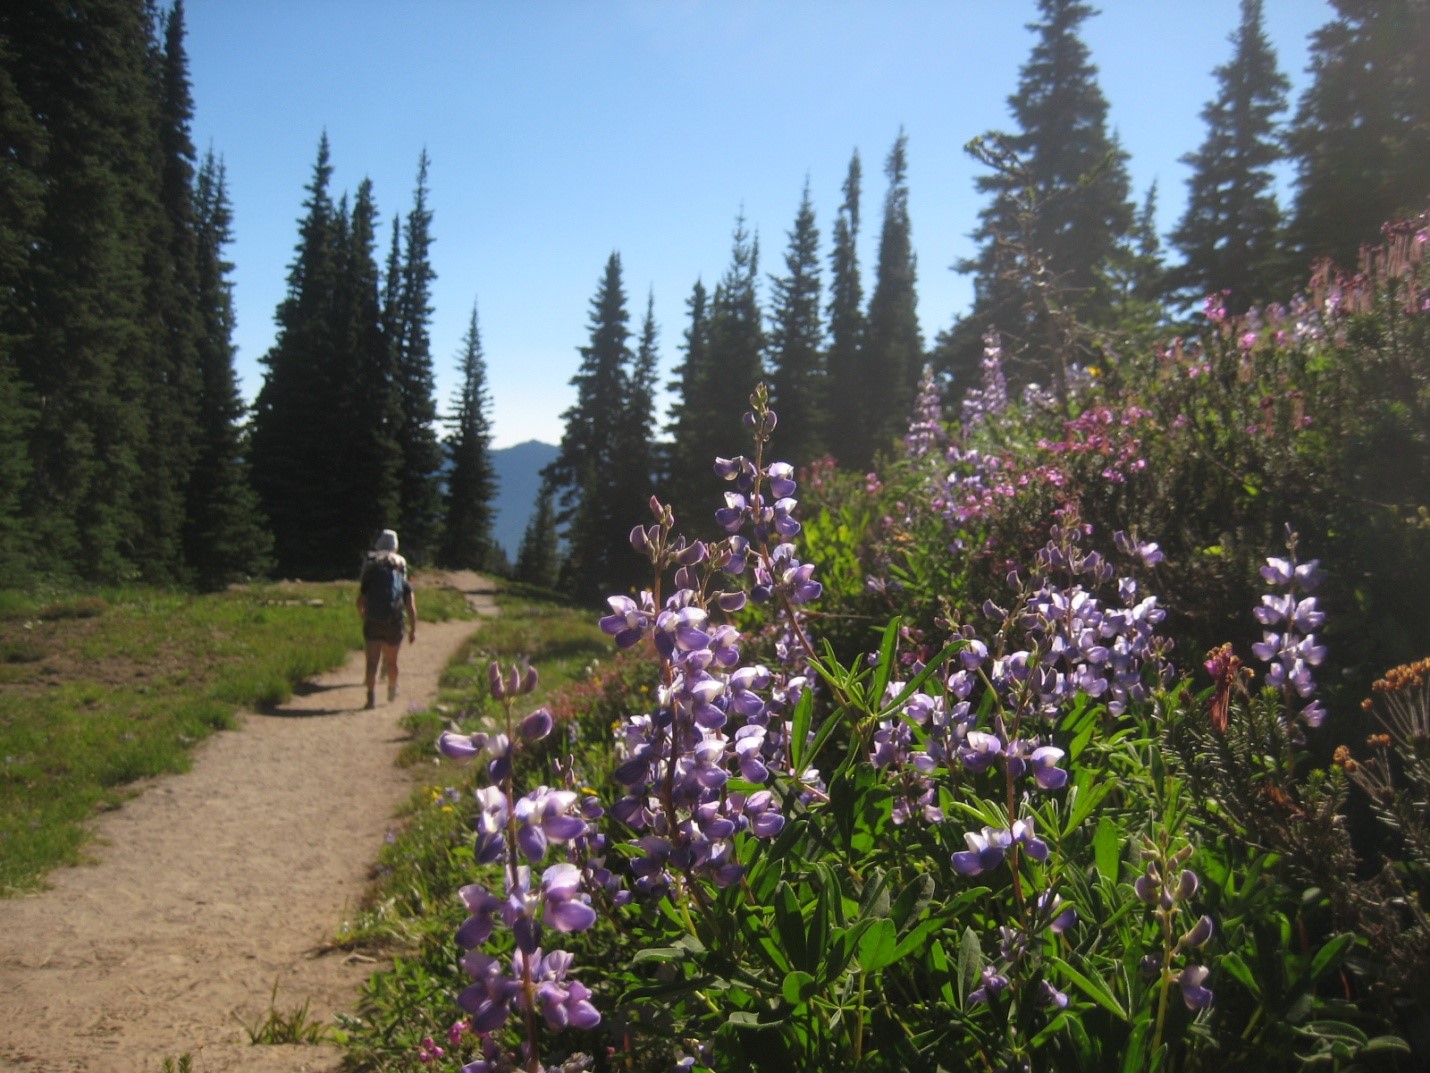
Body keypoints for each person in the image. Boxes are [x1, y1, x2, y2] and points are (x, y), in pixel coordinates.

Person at [357, 529, 417, 710]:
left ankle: (370, 697)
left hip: (373, 620)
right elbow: (411, 606)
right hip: (394, 622)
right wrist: (413, 629)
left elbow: (360, 600)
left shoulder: (371, 567)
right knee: (392, 661)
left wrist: (364, 614)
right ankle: (391, 688)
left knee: (372, 662)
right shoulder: (401, 575)